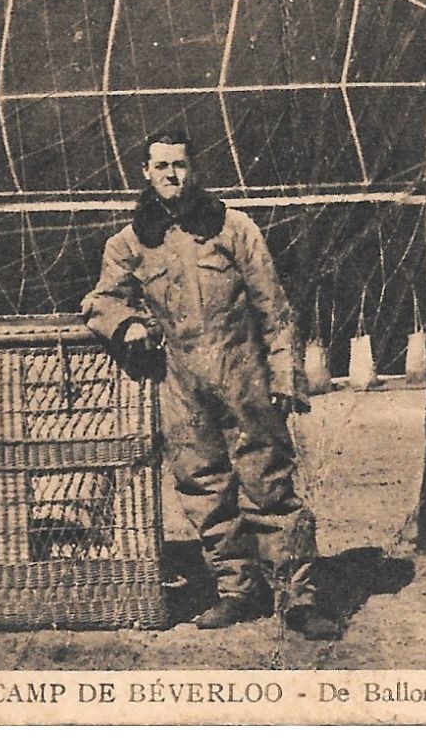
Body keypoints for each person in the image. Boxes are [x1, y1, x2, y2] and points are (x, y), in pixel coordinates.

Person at [82, 131, 341, 640]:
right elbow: (99, 302)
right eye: (161, 167)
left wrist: (286, 374)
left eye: (179, 165)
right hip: (182, 389)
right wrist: (128, 323)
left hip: (245, 381)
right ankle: (235, 591)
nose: (172, 175)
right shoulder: (130, 242)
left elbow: (274, 306)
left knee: (268, 486)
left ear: (193, 168)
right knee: (205, 491)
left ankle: (298, 600)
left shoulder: (234, 229)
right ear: (145, 172)